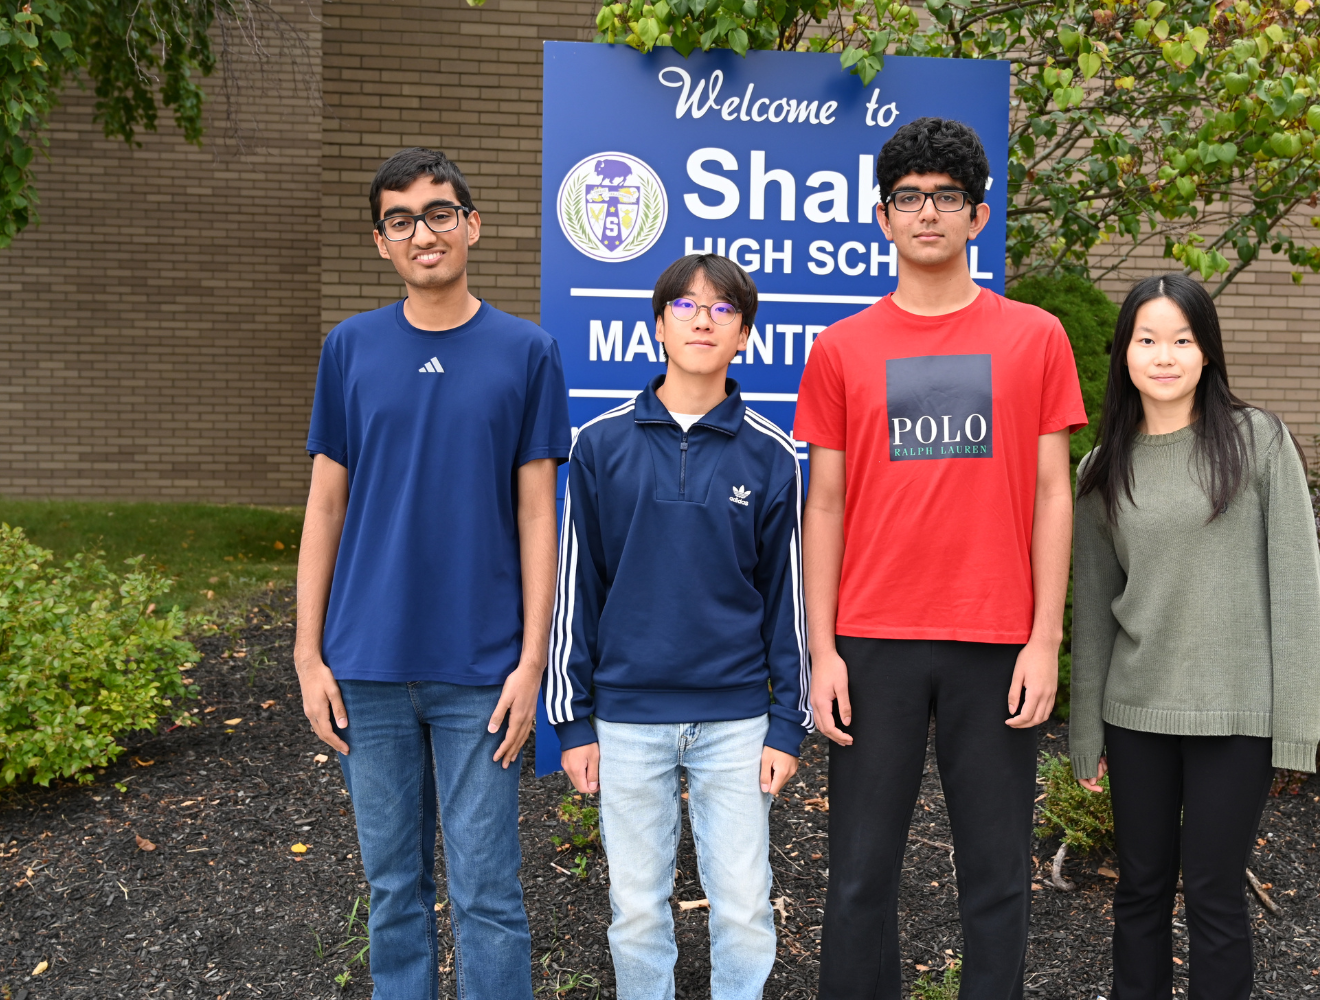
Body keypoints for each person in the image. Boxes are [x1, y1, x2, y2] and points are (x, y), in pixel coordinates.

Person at [793, 117, 1086, 1000]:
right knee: (856, 878)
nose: (928, 212)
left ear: (978, 214)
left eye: (946, 197)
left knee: (997, 877)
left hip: (994, 639)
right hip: (872, 638)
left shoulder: (1034, 337)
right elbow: (827, 502)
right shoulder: (841, 348)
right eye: (909, 198)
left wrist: (1045, 641)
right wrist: (823, 650)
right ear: (883, 218)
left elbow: (1052, 495)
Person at [295, 147, 569, 1000]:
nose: (424, 233)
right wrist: (308, 656)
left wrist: (531, 662)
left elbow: (538, 515)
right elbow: (324, 509)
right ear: (381, 242)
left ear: (471, 225)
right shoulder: (351, 348)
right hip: (364, 666)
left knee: (488, 894)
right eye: (401, 220)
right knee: (393, 892)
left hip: (481, 670)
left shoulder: (527, 352)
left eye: (440, 213)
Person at [546, 253, 810, 1000]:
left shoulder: (771, 453)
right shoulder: (600, 444)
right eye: (686, 306)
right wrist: (572, 721)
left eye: (723, 309)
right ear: (658, 325)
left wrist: (788, 723)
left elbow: (784, 598)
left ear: (746, 335)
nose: (703, 319)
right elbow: (579, 589)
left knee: (745, 909)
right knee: (634, 910)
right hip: (626, 718)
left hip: (735, 720)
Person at [1069, 272, 1320, 1000]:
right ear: (1124, 355)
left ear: (1207, 351)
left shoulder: (1258, 442)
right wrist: (1086, 730)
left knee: (1214, 893)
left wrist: (1294, 726)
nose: (1164, 355)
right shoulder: (1102, 469)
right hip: (1136, 713)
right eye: (1147, 340)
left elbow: (1298, 591)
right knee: (1140, 890)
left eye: (1181, 339)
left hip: (1235, 715)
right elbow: (1092, 608)